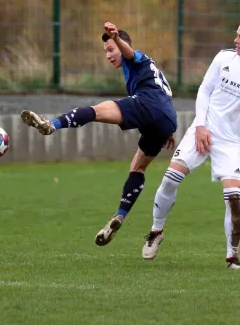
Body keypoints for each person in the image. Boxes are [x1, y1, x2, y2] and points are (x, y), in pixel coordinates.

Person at [140, 16, 240, 270]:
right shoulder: (223, 57)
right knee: (171, 178)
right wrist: (201, 126)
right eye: (236, 35)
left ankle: (232, 258)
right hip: (202, 129)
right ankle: (156, 231)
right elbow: (204, 90)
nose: (236, 40)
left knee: (234, 198)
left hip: (231, 143)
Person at [20, 22, 178, 246]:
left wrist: (117, 38)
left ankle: (51, 124)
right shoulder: (151, 70)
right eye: (106, 51)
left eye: (111, 49)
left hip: (147, 104)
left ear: (121, 45)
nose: (108, 55)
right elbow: (165, 100)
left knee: (95, 111)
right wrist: (168, 130)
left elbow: (129, 53)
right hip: (167, 118)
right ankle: (120, 215)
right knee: (138, 167)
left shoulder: (136, 58)